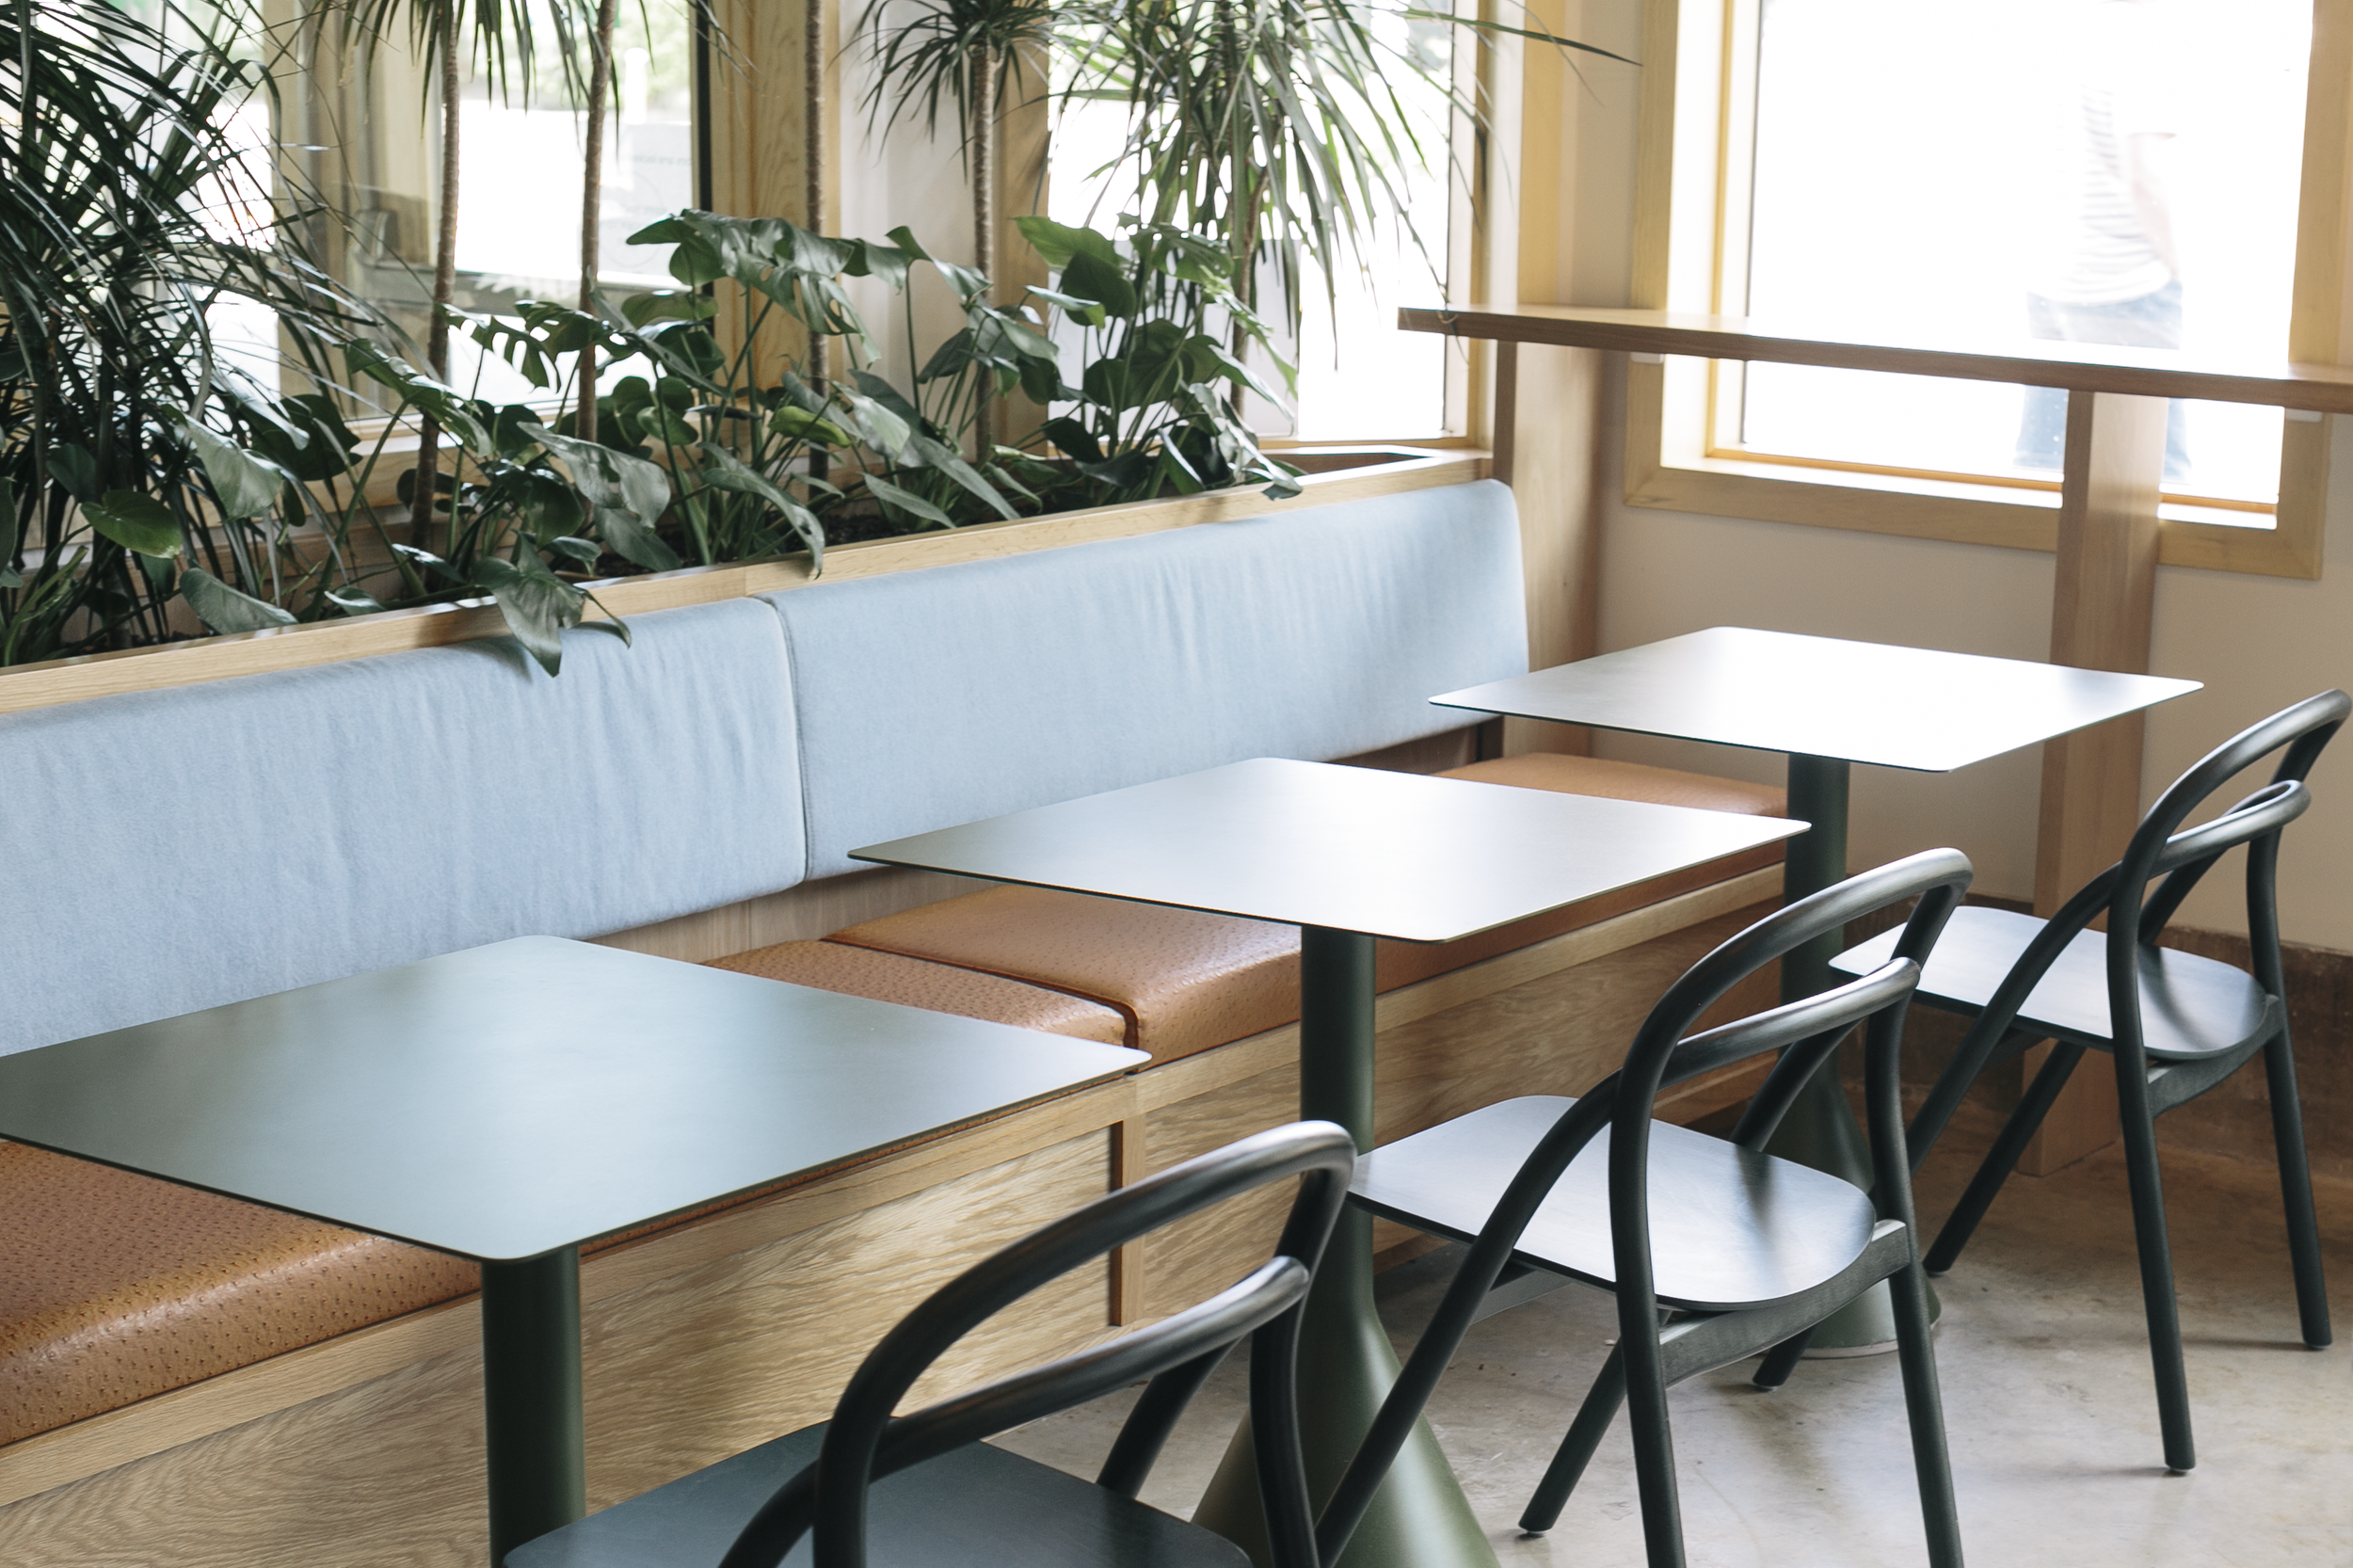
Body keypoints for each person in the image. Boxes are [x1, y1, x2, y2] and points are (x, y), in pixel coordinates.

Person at [2017, 0, 2191, 480]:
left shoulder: (2074, 31)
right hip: (2125, 286)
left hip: (2052, 276)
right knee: (2157, 468)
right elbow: (2146, 179)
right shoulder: (2145, 45)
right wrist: (2178, 268)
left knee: (2041, 462)